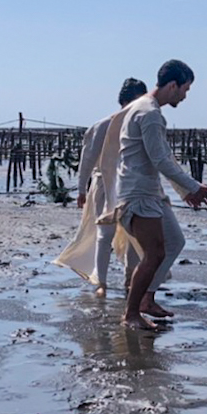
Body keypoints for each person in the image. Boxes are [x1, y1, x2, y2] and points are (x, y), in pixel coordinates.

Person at [108, 59, 207, 331]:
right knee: (154, 253)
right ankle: (131, 313)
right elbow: (161, 160)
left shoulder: (145, 108)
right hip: (138, 194)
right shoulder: (150, 113)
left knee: (174, 242)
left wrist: (184, 191)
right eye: (185, 89)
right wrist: (193, 186)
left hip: (150, 192)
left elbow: (161, 157)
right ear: (172, 85)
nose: (185, 95)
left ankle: (147, 300)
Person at [53, 77, 149, 296]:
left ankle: (130, 279)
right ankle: (101, 283)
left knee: (134, 234)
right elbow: (87, 159)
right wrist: (81, 189)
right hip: (104, 185)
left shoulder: (141, 122)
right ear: (127, 99)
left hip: (131, 185)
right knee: (104, 234)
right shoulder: (103, 125)